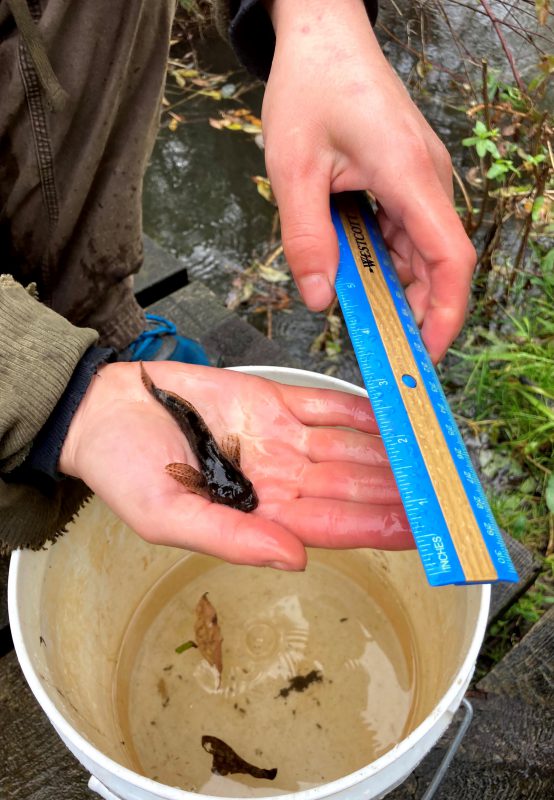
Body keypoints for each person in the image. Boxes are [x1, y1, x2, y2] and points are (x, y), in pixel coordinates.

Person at [0, 0, 476, 565]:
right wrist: (46, 391)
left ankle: (105, 332)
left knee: (96, 292)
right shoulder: (210, 472)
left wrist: (316, 20)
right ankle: (73, 392)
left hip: (73, 146)